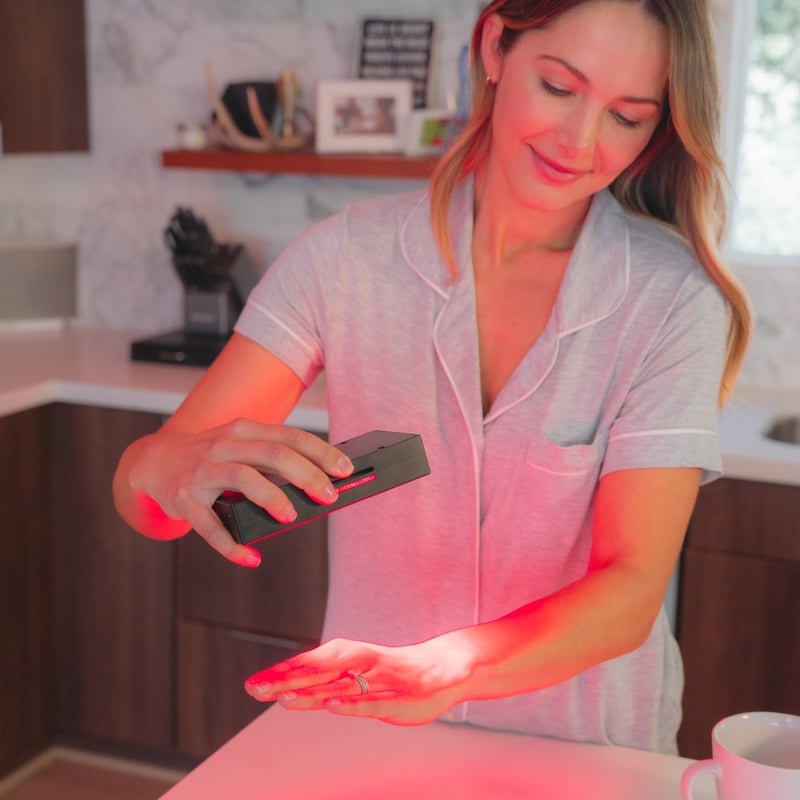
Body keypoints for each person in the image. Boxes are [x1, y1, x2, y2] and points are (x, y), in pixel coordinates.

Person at [113, 0, 751, 755]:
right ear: (494, 47)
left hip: (589, 755)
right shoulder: (342, 261)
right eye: (558, 87)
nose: (580, 142)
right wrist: (161, 463)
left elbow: (631, 588)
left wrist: (444, 669)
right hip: (377, 737)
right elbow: (151, 508)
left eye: (628, 116)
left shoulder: (671, 300)